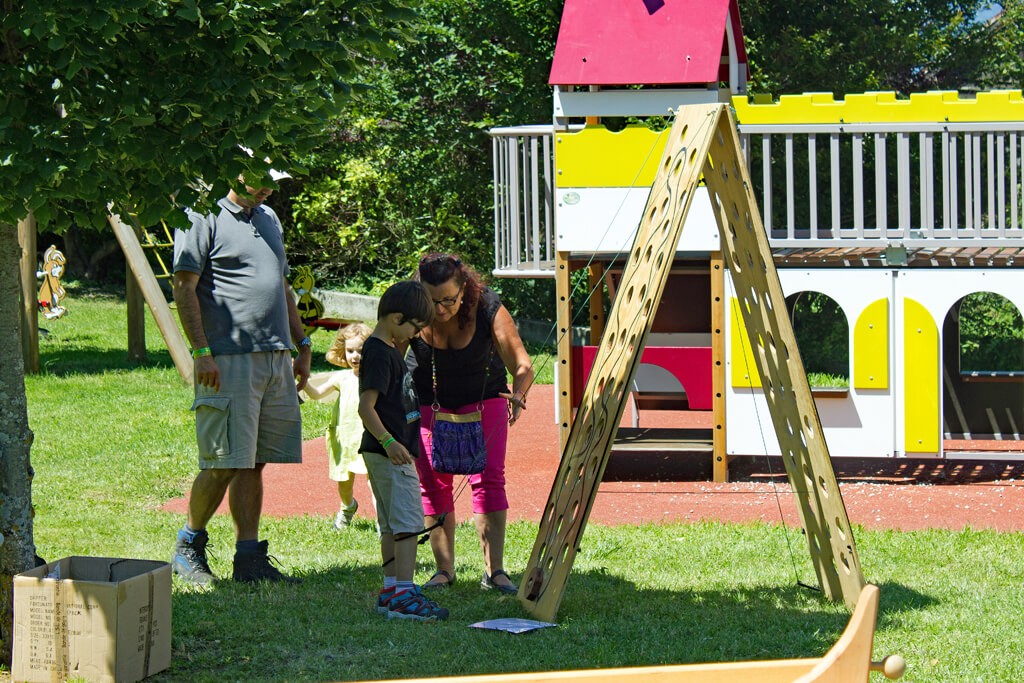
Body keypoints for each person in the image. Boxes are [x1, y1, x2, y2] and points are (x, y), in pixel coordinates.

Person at [170, 170, 310, 586]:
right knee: (224, 459)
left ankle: (248, 558)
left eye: (273, 182)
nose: (267, 188)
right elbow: (183, 285)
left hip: (274, 356)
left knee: (255, 459)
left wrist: (301, 345)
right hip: (227, 358)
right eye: (260, 179)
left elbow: (282, 286)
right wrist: (201, 352)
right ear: (236, 169)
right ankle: (187, 546)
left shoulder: (268, 217)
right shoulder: (201, 214)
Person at [409, 253, 533, 594]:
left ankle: (496, 572)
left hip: (485, 398)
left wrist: (520, 392)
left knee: (489, 478)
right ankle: (444, 571)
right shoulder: (410, 306)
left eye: (449, 300)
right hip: (429, 401)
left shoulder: (487, 306)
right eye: (432, 301)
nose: (440, 309)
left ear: (464, 289)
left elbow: (522, 363)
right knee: (433, 483)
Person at [357, 281, 448, 621]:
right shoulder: (380, 353)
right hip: (390, 452)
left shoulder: (386, 349)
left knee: (392, 525)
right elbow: (366, 408)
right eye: (414, 328)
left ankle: (391, 590)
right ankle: (404, 595)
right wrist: (390, 442)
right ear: (396, 318)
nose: (414, 336)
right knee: (408, 523)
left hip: (385, 452)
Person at [302, 322, 373, 529]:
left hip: (369, 436)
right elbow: (316, 394)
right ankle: (347, 507)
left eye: (360, 351)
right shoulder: (341, 378)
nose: (355, 356)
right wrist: (301, 378)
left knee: (375, 482)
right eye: (350, 351)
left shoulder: (375, 378)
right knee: (344, 482)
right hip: (344, 438)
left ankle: (382, 522)